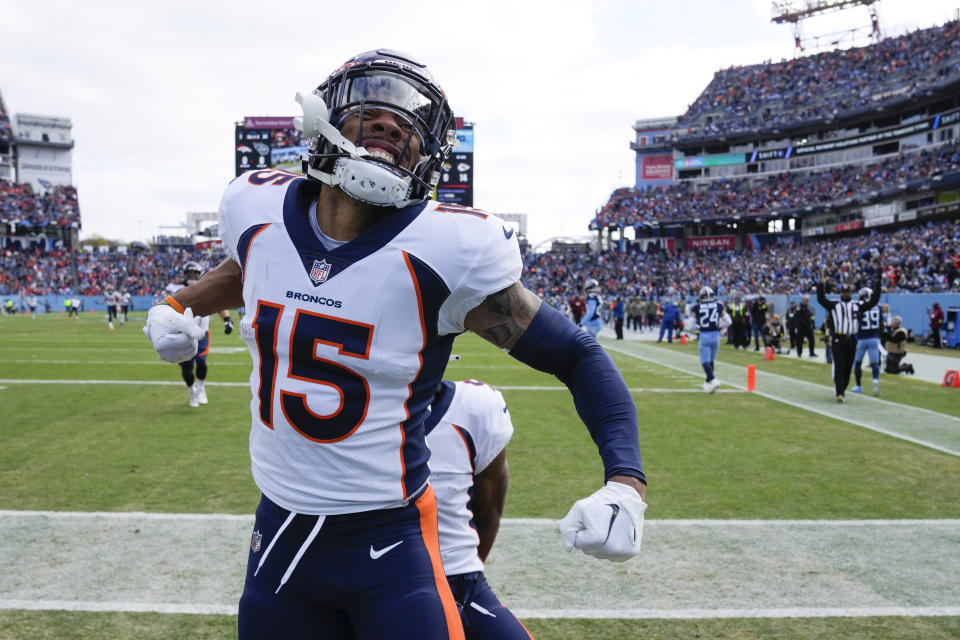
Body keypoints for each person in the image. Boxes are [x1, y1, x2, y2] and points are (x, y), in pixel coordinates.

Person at [143, 49, 645, 640]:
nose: (392, 124)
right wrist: (178, 304)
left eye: (410, 123)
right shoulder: (256, 210)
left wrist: (626, 485)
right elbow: (251, 265)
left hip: (390, 541)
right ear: (323, 116)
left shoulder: (445, 249)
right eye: (374, 107)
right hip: (278, 535)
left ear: (428, 155)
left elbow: (576, 354)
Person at [425, 379, 531, 639]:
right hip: (371, 580)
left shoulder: (474, 409)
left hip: (458, 578)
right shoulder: (331, 414)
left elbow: (489, 514)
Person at [163, 261, 235, 407]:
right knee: (187, 367)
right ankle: (192, 390)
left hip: (201, 333)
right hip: (181, 334)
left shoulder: (206, 287)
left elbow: (218, 303)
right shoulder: (174, 288)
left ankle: (201, 389)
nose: (193, 276)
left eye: (195, 273)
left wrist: (227, 320)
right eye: (190, 273)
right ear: (185, 274)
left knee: (201, 361)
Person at [817, 273, 881, 402]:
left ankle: (842, 390)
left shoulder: (857, 305)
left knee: (847, 368)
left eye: (847, 292)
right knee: (839, 366)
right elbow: (821, 299)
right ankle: (839, 393)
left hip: (851, 339)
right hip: (838, 339)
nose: (845, 294)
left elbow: (873, 302)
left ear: (851, 293)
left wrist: (878, 286)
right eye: (843, 292)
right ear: (841, 293)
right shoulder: (834, 305)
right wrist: (821, 285)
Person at [852, 287, 883, 396]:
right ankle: (875, 380)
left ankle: (859, 386)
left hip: (862, 338)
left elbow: (855, 324)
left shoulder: (859, 307)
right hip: (874, 338)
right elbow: (881, 324)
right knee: (874, 363)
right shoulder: (878, 308)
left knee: (858, 363)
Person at [690, 286, 722, 393]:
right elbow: (728, 321)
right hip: (716, 335)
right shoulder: (718, 305)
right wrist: (721, 328)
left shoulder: (697, 306)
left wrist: (699, 327)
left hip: (704, 335)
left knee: (704, 361)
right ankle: (707, 383)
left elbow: (691, 325)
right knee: (711, 361)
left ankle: (713, 380)